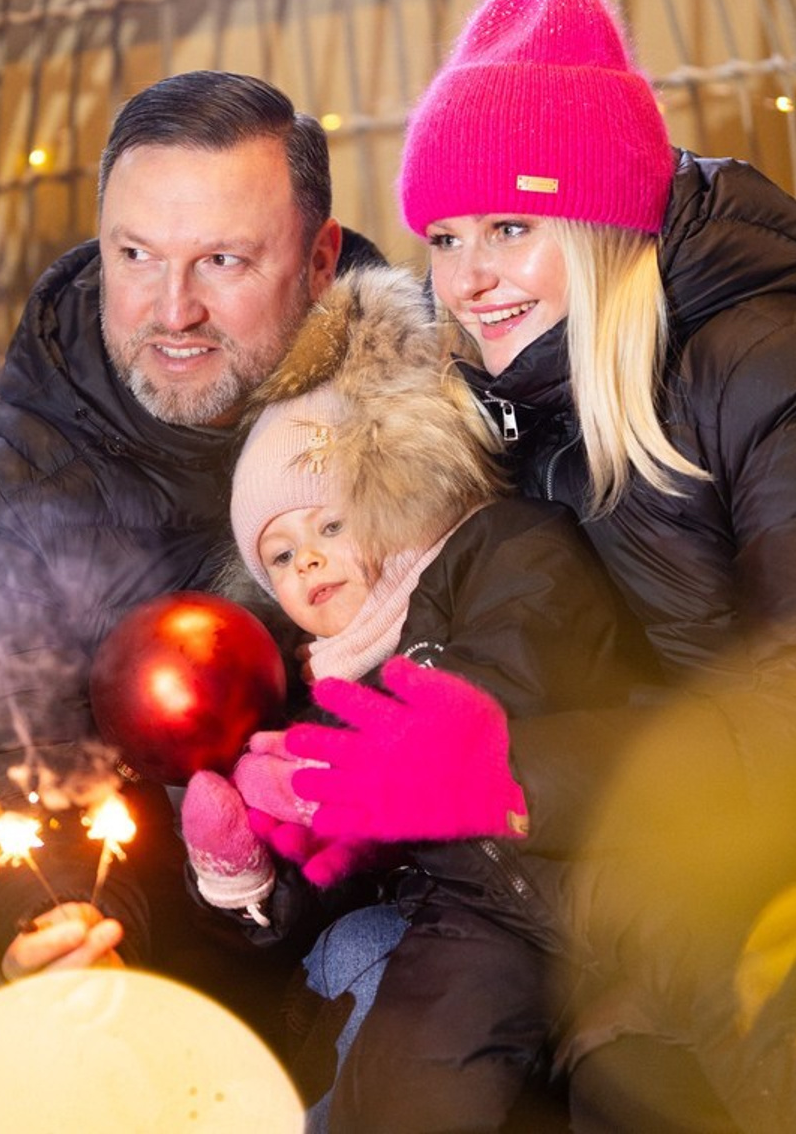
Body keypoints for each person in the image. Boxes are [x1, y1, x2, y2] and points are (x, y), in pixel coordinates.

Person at [271, 0, 796, 1130]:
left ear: (601, 221)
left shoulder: (764, 368)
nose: (469, 277)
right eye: (444, 234)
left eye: (511, 226)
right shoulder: (503, 411)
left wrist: (512, 774)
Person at [0, 70, 383, 1024]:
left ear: (320, 258)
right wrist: (67, 926)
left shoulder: (411, 424)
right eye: (136, 255)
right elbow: (10, 763)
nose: (173, 311)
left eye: (223, 262)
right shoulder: (7, 479)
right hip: (154, 947)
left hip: (375, 906)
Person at [177, 261, 649, 1130]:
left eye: (329, 524)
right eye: (279, 556)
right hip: (472, 920)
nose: (308, 560)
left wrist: (359, 767)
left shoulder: (496, 545)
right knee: (405, 1086)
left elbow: (521, 672)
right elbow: (340, 867)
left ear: (390, 495)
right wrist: (255, 875)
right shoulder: (322, 683)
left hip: (598, 863)